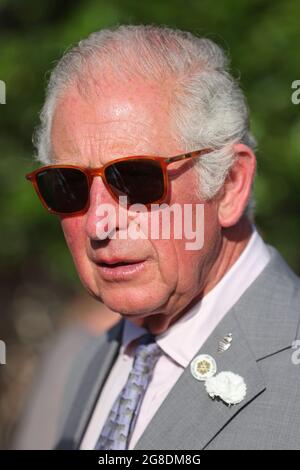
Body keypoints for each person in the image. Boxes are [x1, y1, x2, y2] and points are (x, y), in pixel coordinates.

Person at [14, 25, 300, 450]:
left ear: (229, 184)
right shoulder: (92, 356)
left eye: (135, 179)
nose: (98, 224)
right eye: (68, 185)